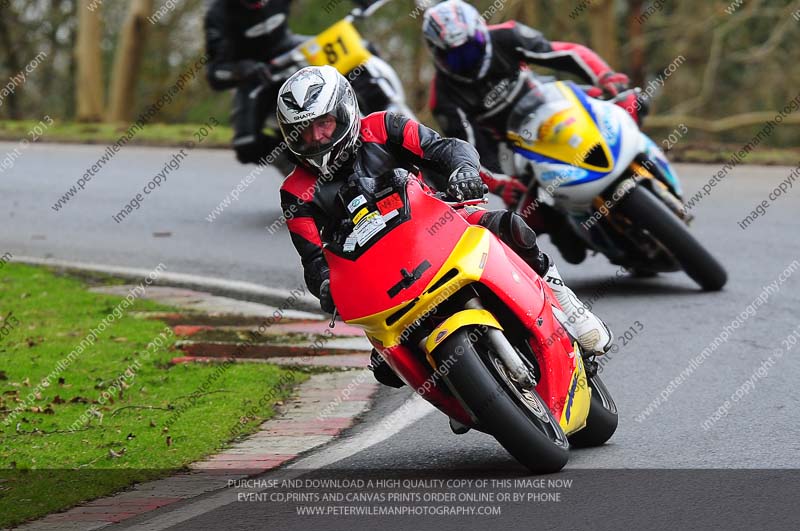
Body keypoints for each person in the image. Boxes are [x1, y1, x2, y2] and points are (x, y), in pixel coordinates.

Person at [276, 65, 613, 388]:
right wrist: (326, 286)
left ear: (345, 111)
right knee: (388, 368)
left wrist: (462, 170)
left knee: (508, 227)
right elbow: (313, 261)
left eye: (324, 123)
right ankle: (463, 397)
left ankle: (565, 302)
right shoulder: (294, 191)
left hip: (436, 227)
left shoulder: (383, 127)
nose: (317, 136)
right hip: (377, 277)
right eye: (304, 129)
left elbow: (444, 148)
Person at [422, 0, 643, 263]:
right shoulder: (443, 96)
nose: (467, 61)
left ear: (482, 32)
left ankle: (644, 157)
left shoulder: (508, 35)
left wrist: (606, 77)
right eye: (456, 57)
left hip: (549, 104)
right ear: (437, 54)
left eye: (471, 49)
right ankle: (569, 228)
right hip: (510, 147)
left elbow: (567, 53)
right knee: (531, 217)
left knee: (632, 101)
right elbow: (465, 149)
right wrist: (499, 184)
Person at [204, 0, 373, 174]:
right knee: (245, 145)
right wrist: (240, 70)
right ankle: (303, 172)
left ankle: (378, 121)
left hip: (291, 50)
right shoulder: (218, 13)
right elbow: (214, 73)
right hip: (255, 76)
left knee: (363, 50)